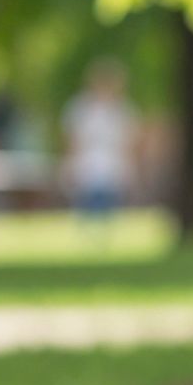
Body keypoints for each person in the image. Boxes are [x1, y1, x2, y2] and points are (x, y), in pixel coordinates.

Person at [60, 58, 140, 245]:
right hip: (88, 161)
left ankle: (103, 233)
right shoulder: (81, 108)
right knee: (88, 197)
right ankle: (88, 233)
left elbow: (129, 140)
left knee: (108, 198)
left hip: (113, 162)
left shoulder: (123, 109)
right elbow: (73, 138)